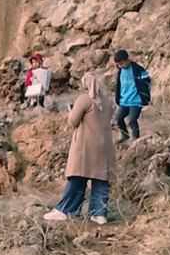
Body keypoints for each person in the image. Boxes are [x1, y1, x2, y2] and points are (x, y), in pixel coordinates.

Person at [44, 72, 116, 224]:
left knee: (77, 176)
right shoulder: (107, 101)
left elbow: (73, 121)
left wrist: (71, 112)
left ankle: (66, 210)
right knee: (101, 179)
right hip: (105, 146)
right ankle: (99, 213)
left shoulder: (84, 99)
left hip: (86, 145)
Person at [113, 50, 151, 142]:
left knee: (132, 120)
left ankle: (136, 140)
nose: (121, 66)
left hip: (136, 100)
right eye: (118, 64)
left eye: (122, 63)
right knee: (118, 118)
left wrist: (145, 96)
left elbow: (147, 80)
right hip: (124, 101)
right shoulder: (120, 71)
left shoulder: (138, 69)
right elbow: (118, 86)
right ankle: (124, 135)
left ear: (127, 60)